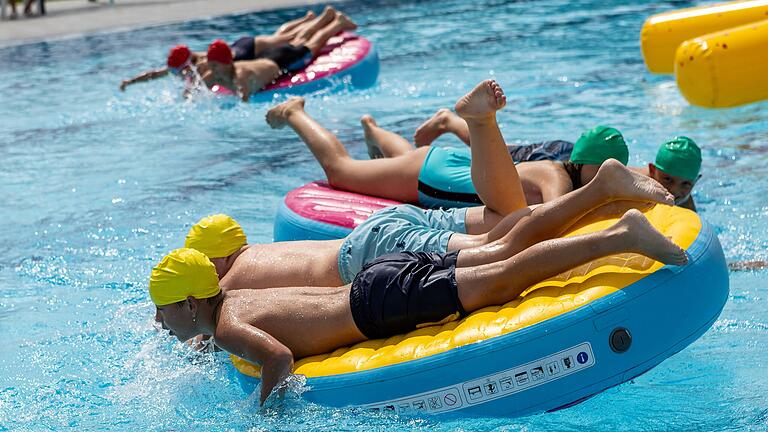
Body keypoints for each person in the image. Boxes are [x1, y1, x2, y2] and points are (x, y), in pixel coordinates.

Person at [151, 200, 684, 405]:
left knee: (503, 276)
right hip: (374, 283)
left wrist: (262, 412)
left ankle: (620, 237)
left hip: (380, 303)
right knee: (498, 259)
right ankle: (606, 228)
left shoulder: (226, 327)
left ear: (191, 303)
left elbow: (279, 358)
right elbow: (250, 319)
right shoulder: (235, 297)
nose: (158, 319)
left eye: (163, 309)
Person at [267, 96, 629, 208]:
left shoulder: (563, 171)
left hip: (446, 166)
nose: (603, 179)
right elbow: (556, 216)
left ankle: (373, 130)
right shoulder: (555, 176)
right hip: (432, 177)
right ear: (579, 162)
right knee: (341, 171)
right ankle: (295, 113)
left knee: (405, 156)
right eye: (600, 172)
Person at [407, 108, 703, 210]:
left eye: (684, 185)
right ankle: (451, 121)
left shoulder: (679, 194)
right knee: (495, 151)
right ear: (653, 170)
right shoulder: (622, 177)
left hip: (583, 158)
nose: (675, 190)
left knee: (489, 156)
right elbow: (556, 216)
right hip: (564, 157)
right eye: (667, 179)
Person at [118, 7, 345, 91]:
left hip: (247, 49)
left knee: (287, 38)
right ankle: (311, 19)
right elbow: (156, 74)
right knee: (283, 38)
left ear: (189, 63)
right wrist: (131, 81)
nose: (180, 76)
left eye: (180, 72)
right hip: (242, 50)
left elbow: (231, 84)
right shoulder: (193, 63)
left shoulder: (205, 64)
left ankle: (321, 20)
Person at [202, 11, 356, 101]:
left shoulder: (239, 77)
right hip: (266, 57)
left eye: (215, 65)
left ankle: (338, 23)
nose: (212, 69)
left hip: (283, 62)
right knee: (298, 40)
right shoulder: (217, 73)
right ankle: (325, 17)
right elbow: (201, 84)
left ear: (228, 63)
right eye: (211, 65)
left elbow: (244, 100)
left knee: (312, 46)